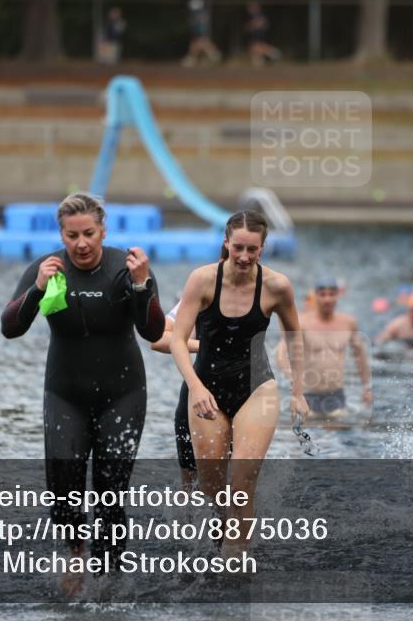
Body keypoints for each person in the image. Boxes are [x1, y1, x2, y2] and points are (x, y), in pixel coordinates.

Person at [1, 193, 165, 596]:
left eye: (89, 234)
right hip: (65, 394)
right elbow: (9, 327)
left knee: (112, 491)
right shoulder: (47, 269)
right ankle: (76, 555)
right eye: (72, 235)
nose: (81, 244)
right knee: (64, 483)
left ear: (102, 231)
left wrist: (143, 285)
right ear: (62, 234)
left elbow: (154, 332)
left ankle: (109, 578)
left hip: (122, 393)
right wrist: (37, 289)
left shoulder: (126, 267)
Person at [170, 211, 308, 558]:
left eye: (253, 249)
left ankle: (236, 556)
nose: (245, 257)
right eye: (238, 248)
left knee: (243, 481)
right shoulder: (202, 280)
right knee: (214, 488)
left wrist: (299, 391)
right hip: (207, 387)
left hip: (257, 386)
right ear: (226, 244)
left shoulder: (277, 286)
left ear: (263, 248)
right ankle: (222, 541)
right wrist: (196, 387)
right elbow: (176, 339)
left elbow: (295, 337)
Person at [277, 278, 373, 419]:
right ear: (316, 296)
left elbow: (360, 356)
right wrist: (293, 380)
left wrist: (367, 387)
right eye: (323, 294)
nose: (327, 299)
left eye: (331, 294)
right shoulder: (302, 322)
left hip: (336, 396)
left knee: (339, 435)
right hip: (307, 395)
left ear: (337, 296)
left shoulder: (348, 323)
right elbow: (281, 353)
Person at [150, 301, 202, 492]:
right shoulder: (201, 288)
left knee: (238, 481)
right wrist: (203, 345)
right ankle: (186, 520)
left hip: (246, 394)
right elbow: (158, 338)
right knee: (190, 485)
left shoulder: (264, 289)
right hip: (198, 393)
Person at [182, 0, 221, 67]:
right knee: (198, 44)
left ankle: (214, 56)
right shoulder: (201, 13)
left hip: (201, 31)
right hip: (200, 31)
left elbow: (197, 23)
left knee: (201, 44)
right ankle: (213, 56)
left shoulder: (199, 13)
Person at [245, 1, 280, 66]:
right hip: (255, 36)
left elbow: (264, 24)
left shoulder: (260, 15)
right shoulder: (252, 16)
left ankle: (275, 53)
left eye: (251, 7)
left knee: (257, 48)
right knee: (254, 49)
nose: (249, 9)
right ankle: (260, 62)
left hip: (259, 35)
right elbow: (248, 27)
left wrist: (254, 25)